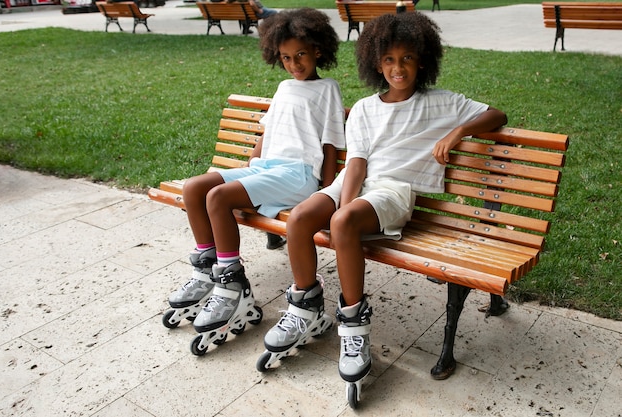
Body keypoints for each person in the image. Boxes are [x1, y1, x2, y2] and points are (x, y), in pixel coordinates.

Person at [262, 11, 507, 390]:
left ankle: (354, 326)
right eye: (390, 60)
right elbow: (356, 167)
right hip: (355, 184)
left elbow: (496, 114)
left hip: (394, 192)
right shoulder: (364, 109)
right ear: (376, 63)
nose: (398, 68)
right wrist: (342, 203)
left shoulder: (442, 103)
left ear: (422, 60)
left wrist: (458, 132)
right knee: (299, 218)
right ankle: (305, 307)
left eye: (407, 58)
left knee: (342, 222)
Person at [163, 8, 346, 352]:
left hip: (298, 175)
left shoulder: (328, 89)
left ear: (318, 50)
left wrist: (326, 189)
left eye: (301, 55)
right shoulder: (283, 86)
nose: (294, 64)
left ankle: (231, 283)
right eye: (286, 58)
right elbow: (266, 133)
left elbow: (331, 142)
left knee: (218, 198)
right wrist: (249, 169)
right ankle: (206, 270)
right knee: (195, 187)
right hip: (266, 169)